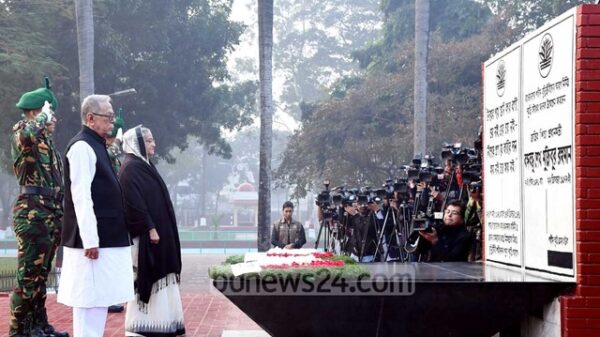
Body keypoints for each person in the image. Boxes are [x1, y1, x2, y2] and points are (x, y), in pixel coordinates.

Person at [57, 95, 134, 337]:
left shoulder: (97, 145)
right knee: (89, 302)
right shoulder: (82, 147)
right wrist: (90, 239)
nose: (113, 121)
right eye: (108, 116)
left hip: (107, 236)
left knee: (100, 300)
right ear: (90, 118)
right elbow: (81, 196)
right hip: (93, 241)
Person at [9, 79, 69, 337]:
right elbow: (27, 135)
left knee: (42, 276)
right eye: (48, 113)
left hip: (50, 212)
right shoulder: (24, 131)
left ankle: (37, 325)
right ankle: (18, 330)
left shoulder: (47, 143)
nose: (52, 119)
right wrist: (43, 117)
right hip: (32, 213)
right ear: (35, 112)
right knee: (28, 278)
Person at [119, 125, 185, 337]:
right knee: (150, 278)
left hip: (160, 235)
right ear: (136, 143)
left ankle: (166, 324)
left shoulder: (145, 166)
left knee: (165, 279)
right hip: (149, 238)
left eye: (152, 139)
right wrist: (150, 228)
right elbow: (133, 203)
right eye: (148, 140)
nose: (153, 144)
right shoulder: (130, 168)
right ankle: (144, 328)